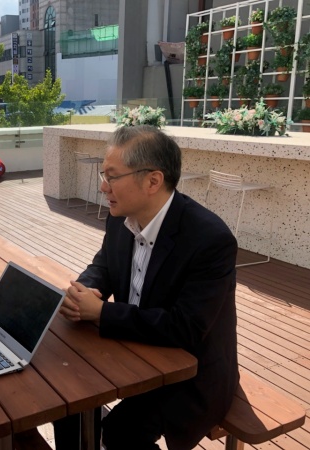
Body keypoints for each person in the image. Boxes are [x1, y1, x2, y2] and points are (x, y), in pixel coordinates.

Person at [56, 125, 239, 450]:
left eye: (112, 177)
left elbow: (187, 329)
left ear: (153, 181)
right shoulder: (120, 216)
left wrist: (102, 312)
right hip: (134, 347)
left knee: (121, 432)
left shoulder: (210, 239)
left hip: (190, 369)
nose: (102, 186)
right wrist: (84, 291)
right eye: (104, 175)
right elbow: (105, 265)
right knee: (65, 392)